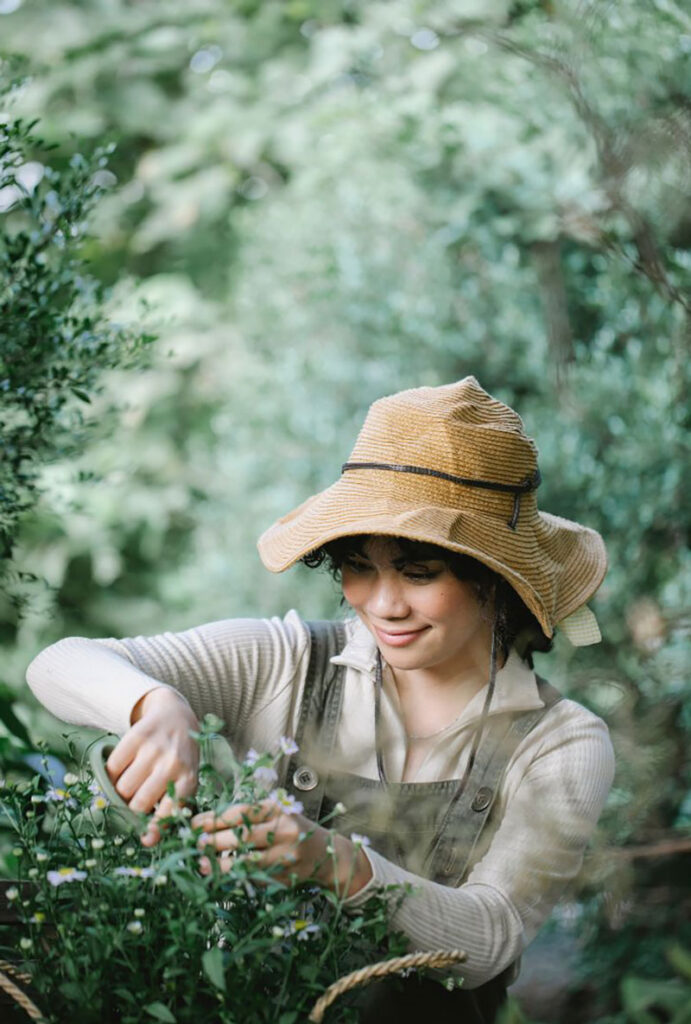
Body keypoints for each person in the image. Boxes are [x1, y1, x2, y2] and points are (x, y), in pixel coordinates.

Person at [26, 377, 615, 1022]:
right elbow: (58, 664)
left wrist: (335, 863)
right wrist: (157, 705)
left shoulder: (561, 742)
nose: (384, 606)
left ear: (495, 578)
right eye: (359, 566)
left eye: (420, 573)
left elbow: (492, 936)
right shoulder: (284, 661)